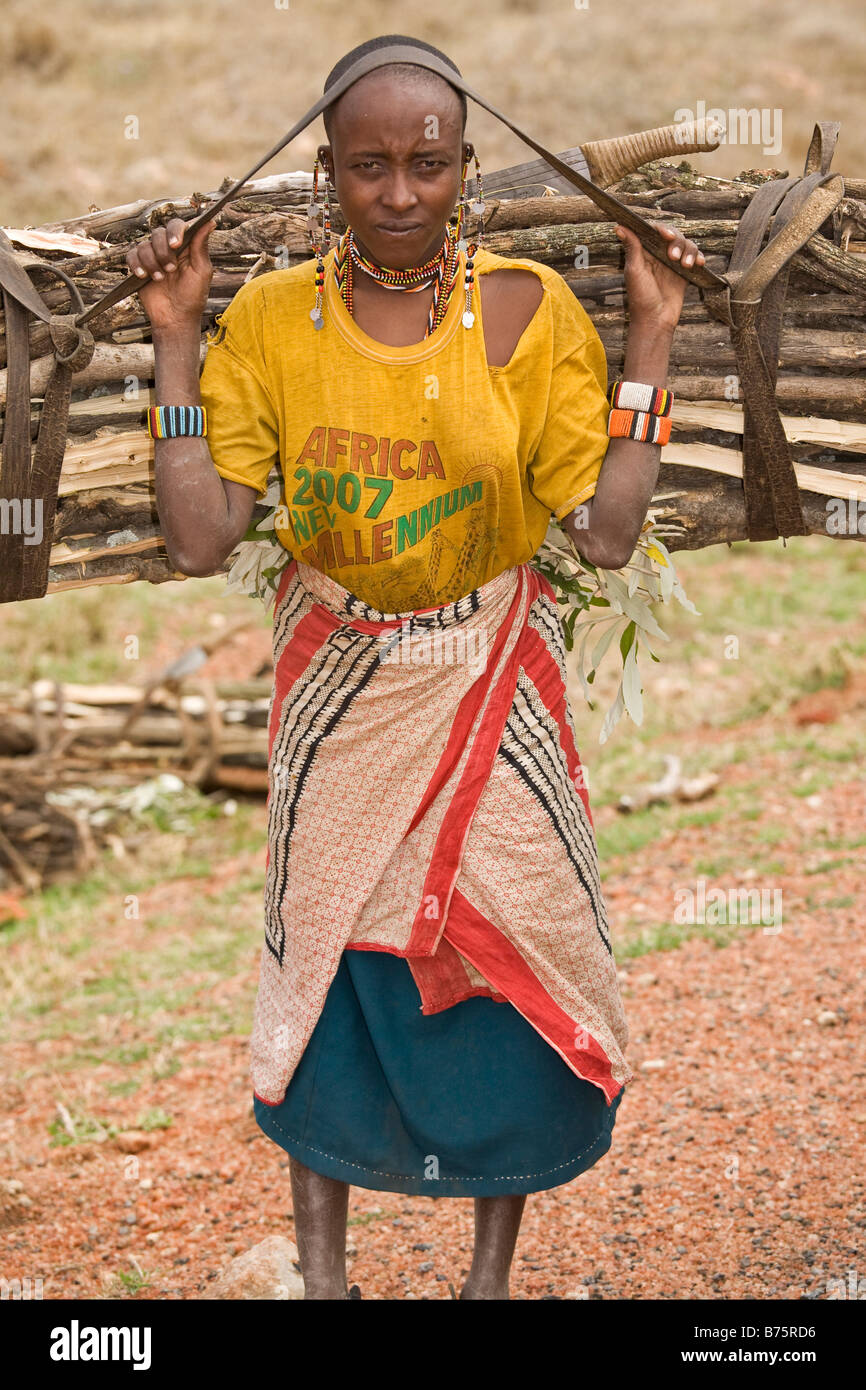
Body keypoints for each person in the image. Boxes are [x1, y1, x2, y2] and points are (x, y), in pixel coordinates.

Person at [128, 33, 705, 1300]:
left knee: (513, 945)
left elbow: (602, 533)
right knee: (327, 955)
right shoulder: (276, 325)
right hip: (341, 687)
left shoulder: (521, 313)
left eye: (427, 164)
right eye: (369, 166)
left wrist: (650, 342)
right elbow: (199, 534)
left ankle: (486, 1282)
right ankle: (325, 1279)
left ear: (466, 166)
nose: (398, 194)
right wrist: (176, 338)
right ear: (326, 172)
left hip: (488, 670)